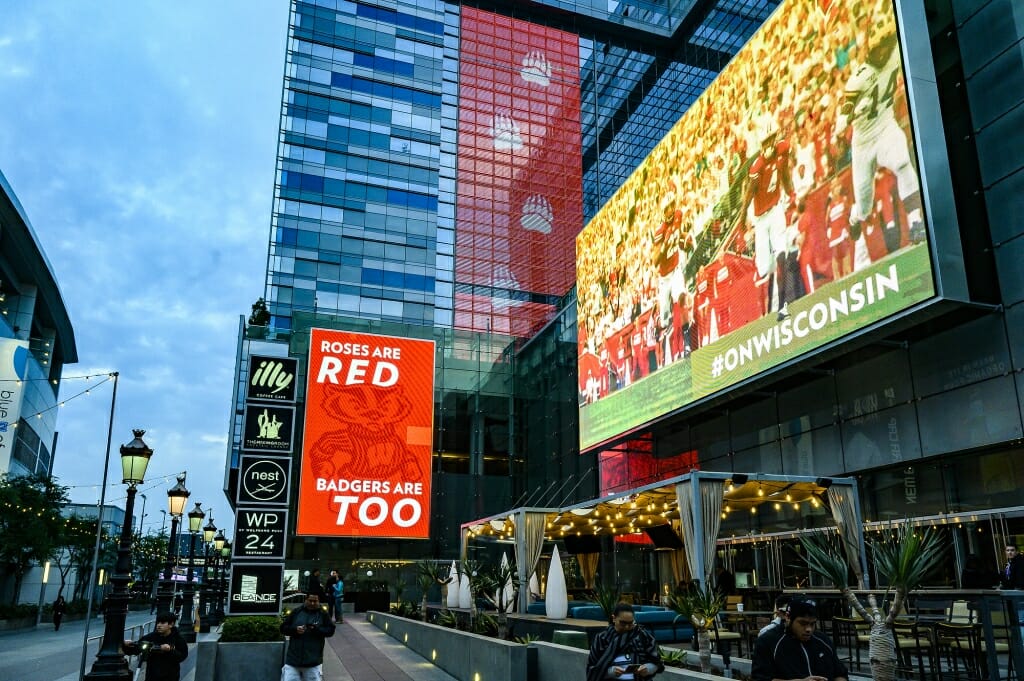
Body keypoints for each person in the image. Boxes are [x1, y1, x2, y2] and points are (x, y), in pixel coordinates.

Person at [751, 597, 848, 681]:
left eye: (812, 624)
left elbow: (840, 674)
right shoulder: (768, 642)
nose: (808, 629)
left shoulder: (823, 640)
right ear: (788, 617)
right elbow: (760, 678)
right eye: (803, 623)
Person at [586, 602, 664, 681]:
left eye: (630, 624)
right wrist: (610, 672)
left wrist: (649, 668)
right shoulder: (602, 639)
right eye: (623, 623)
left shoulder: (643, 636)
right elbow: (592, 668)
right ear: (614, 618)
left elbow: (657, 662)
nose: (626, 627)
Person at [280, 593, 336, 681]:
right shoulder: (296, 612)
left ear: (318, 601)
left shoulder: (323, 614)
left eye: (315, 601)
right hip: (293, 661)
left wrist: (317, 630)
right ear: (305, 600)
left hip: (313, 663)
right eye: (310, 601)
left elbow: (331, 631)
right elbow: (283, 628)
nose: (312, 603)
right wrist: (295, 630)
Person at [123, 611, 189, 681]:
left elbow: (182, 656)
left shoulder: (178, 639)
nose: (159, 625)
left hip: (170, 676)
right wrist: (126, 645)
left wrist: (170, 650)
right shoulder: (151, 637)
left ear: (171, 624)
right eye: (158, 622)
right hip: (152, 675)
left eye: (162, 623)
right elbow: (136, 650)